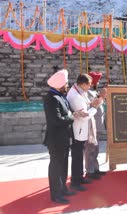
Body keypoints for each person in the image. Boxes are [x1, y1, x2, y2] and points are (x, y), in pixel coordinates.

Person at [43, 69, 77, 204]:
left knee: (63, 165)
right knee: (56, 167)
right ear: (59, 84)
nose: (68, 86)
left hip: (64, 137)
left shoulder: (60, 96)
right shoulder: (51, 98)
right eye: (66, 84)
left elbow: (67, 112)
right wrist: (72, 117)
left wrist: (74, 114)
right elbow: (56, 120)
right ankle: (55, 194)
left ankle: (63, 188)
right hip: (56, 139)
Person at [67, 74, 101, 191]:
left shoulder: (77, 90)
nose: (89, 87)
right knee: (77, 156)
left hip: (80, 129)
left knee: (79, 155)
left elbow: (85, 106)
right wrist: (94, 108)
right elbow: (84, 117)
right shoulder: (76, 96)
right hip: (79, 129)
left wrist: (91, 105)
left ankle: (79, 177)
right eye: (88, 85)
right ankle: (75, 181)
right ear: (83, 84)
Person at [84, 71, 107, 179]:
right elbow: (93, 106)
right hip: (91, 126)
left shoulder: (94, 91)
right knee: (90, 149)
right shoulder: (88, 93)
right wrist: (101, 97)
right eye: (97, 81)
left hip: (96, 126)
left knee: (95, 149)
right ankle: (90, 171)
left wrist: (102, 96)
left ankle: (95, 169)